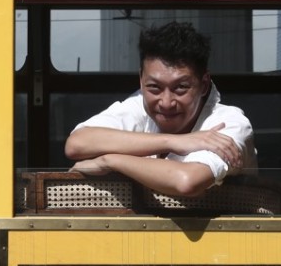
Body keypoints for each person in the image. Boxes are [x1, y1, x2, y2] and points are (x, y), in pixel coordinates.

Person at [65, 21, 257, 197]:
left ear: (204, 84)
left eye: (180, 87)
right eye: (154, 87)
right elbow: (77, 144)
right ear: (141, 80)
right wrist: (173, 141)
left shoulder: (230, 122)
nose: (166, 102)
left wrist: (108, 161)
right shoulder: (138, 105)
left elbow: (186, 181)